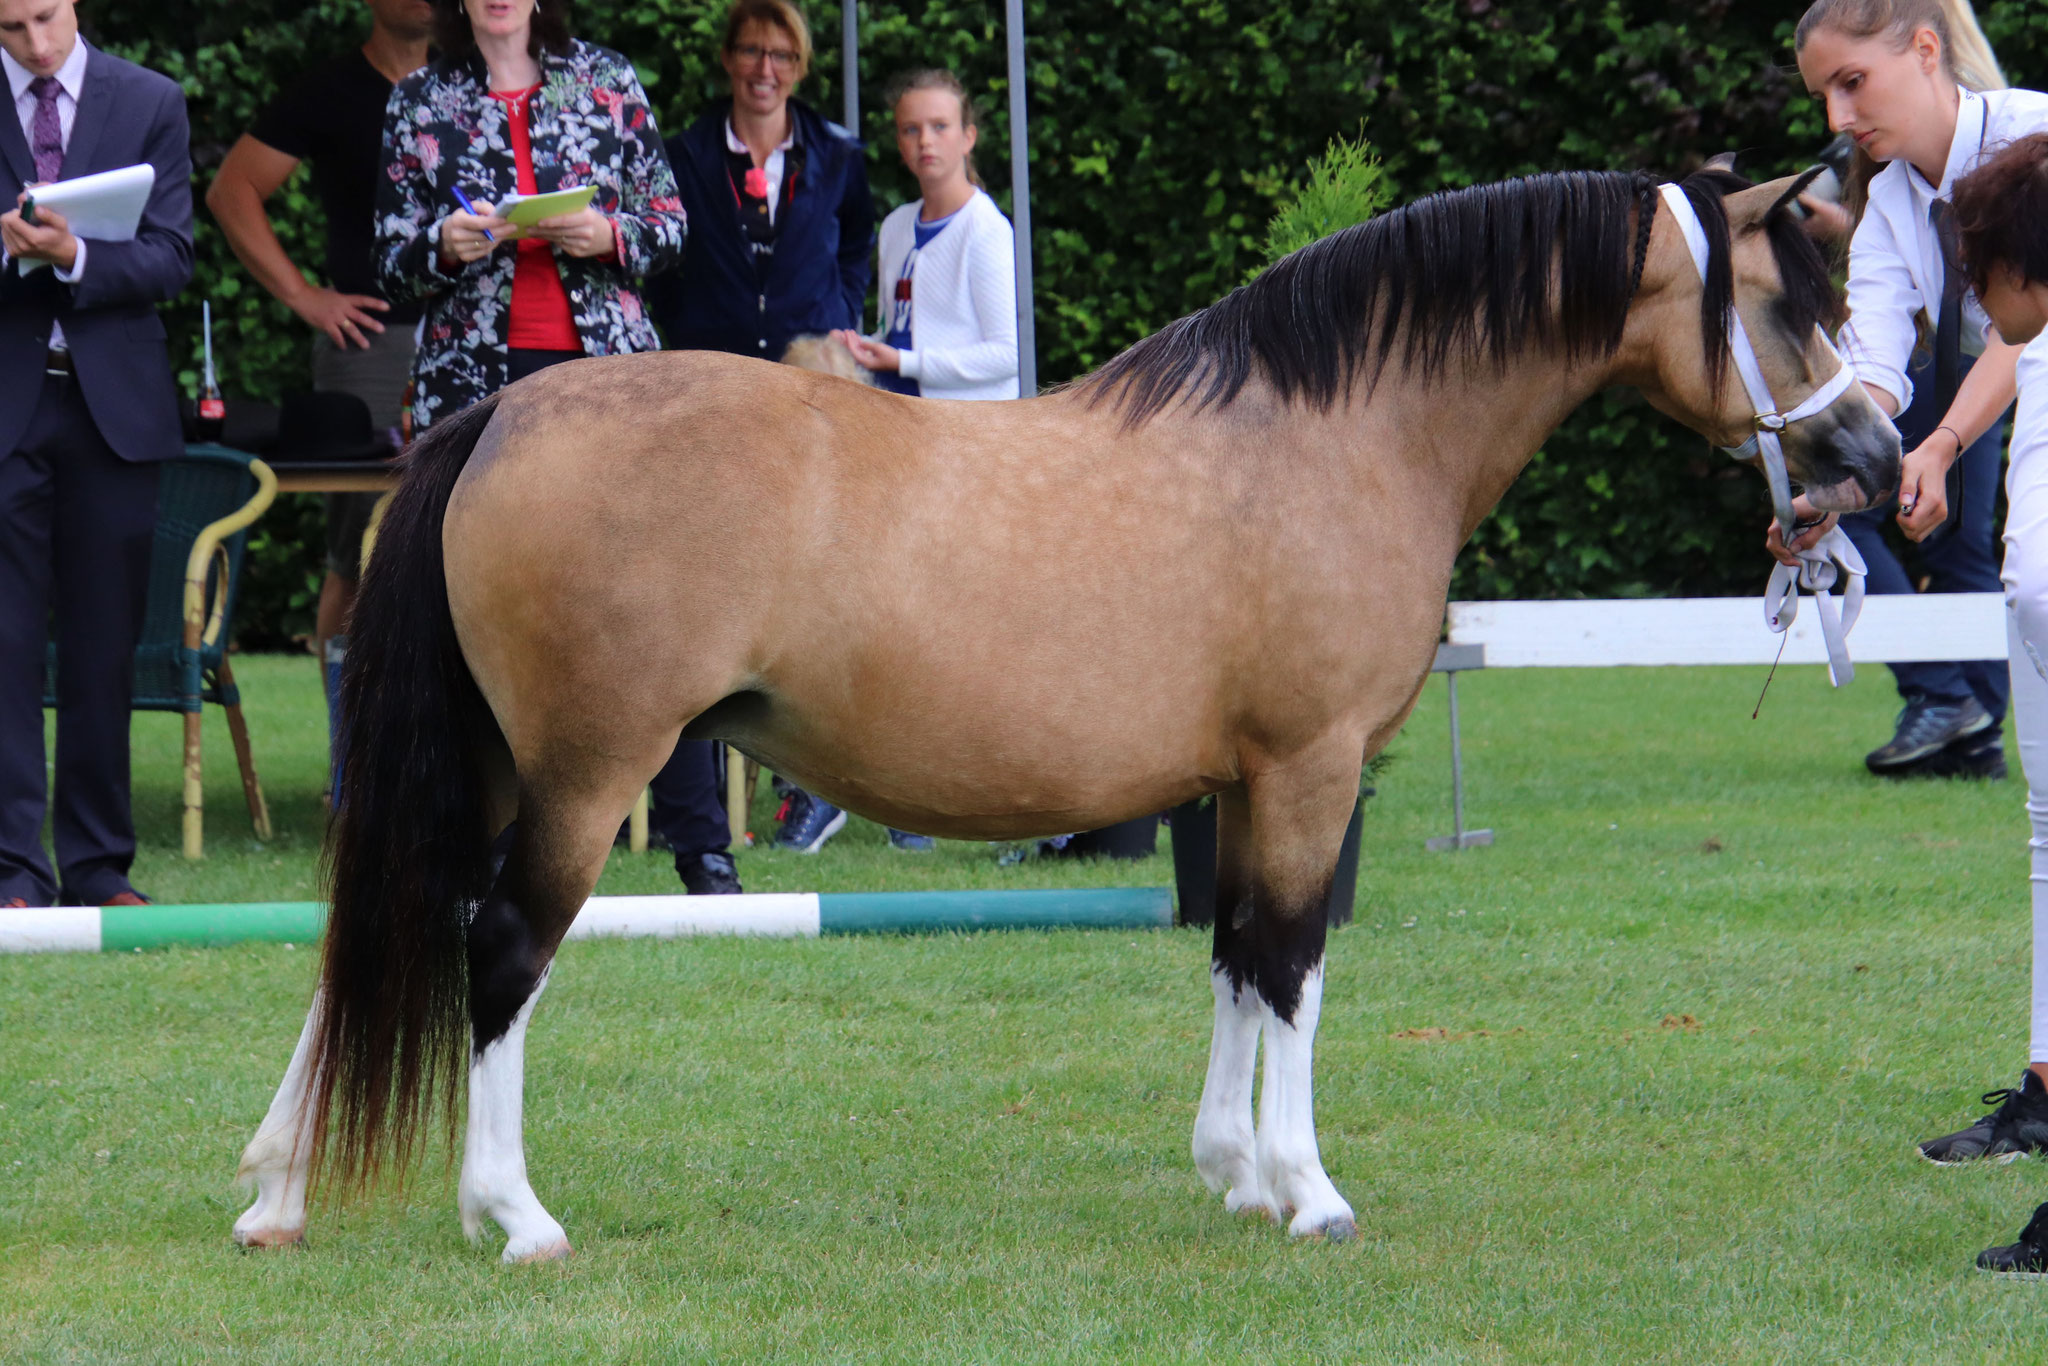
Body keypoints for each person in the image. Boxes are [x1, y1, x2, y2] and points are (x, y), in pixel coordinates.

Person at [1783, 0, 2048, 1273]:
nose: (1841, 122)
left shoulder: (2040, 144)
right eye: (1822, 100)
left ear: (1922, 51)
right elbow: (1879, 371)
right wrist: (1837, 479)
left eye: (1852, 84)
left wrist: (1940, 442)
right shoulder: (1894, 204)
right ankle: (2045, 1089)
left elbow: (2021, 324)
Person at [377, 1, 731, 892]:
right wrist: (445, 244)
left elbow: (670, 227)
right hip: (473, 387)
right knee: (482, 618)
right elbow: (389, 261)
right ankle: (475, 858)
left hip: (609, 386)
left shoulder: (606, 81)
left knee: (663, 605)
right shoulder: (421, 98)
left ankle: (704, 850)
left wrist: (608, 234)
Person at [646, 0, 874, 857]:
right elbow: (665, 265)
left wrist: (837, 313)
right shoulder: (685, 154)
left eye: (781, 53)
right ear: (729, 60)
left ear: (800, 64)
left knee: (815, 573)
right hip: (713, 387)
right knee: (714, 571)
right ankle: (699, 781)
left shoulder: (840, 155)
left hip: (810, 391)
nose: (765, 68)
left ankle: (813, 781)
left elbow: (854, 243)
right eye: (751, 50)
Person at [206, 0, 435, 800]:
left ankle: (470, 772)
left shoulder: (481, 83)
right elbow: (233, 191)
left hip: (475, 337)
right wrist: (305, 296)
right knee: (357, 554)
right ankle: (355, 773)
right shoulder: (330, 89)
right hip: (369, 350)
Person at [0, 0, 192, 909]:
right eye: (10, 30)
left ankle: (97, 867)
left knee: (102, 649)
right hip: (7, 408)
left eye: (45, 19)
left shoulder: (149, 98)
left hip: (115, 409)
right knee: (1, 648)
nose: (37, 47)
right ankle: (11, 872)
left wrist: (75, 254)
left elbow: (171, 256)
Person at [827, 67, 1017, 852]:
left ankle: (1001, 798)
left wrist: (902, 364)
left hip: (972, 454)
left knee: (977, 632)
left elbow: (1006, 353)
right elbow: (896, 324)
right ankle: (913, 801)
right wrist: (868, 356)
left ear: (969, 136)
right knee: (906, 627)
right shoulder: (896, 226)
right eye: (910, 130)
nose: (924, 142)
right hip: (903, 445)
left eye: (939, 127)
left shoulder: (986, 231)